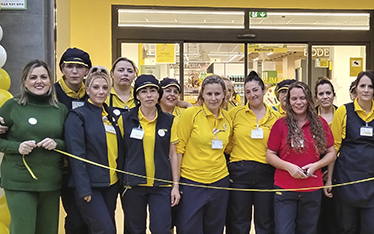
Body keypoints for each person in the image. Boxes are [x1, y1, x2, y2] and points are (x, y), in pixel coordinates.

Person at [0, 48, 91, 234]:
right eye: (33, 77)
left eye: (43, 77)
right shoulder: (13, 105)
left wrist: (57, 143)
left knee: (48, 230)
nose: (39, 82)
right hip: (19, 181)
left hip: (51, 181)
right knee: (23, 230)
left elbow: (70, 142)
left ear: (50, 81)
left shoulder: (59, 109)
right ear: (25, 82)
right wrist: (16, 147)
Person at [266, 81, 336, 234]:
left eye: (303, 98)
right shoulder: (280, 125)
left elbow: (332, 153)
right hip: (285, 188)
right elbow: (270, 155)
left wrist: (316, 166)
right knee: (284, 231)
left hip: (312, 188)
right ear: (289, 101)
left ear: (309, 99)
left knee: (308, 230)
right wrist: (288, 167)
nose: (299, 102)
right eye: (294, 99)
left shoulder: (320, 123)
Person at [117, 74, 180, 234]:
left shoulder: (170, 121)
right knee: (134, 229)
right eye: (144, 91)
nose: (149, 95)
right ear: (137, 96)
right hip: (133, 186)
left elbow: (173, 155)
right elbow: (120, 152)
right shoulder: (124, 119)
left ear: (159, 94)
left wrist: (175, 186)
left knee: (161, 229)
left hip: (162, 186)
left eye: (153, 90)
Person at [327, 71, 374, 234]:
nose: (366, 90)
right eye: (362, 86)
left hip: (373, 181)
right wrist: (328, 180)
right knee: (347, 227)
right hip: (347, 179)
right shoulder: (343, 111)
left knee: (373, 227)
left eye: (370, 86)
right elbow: (333, 149)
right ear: (356, 88)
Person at [172, 75, 232, 234]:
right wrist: (176, 184)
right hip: (192, 182)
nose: (213, 98)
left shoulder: (228, 118)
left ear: (224, 95)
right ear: (202, 96)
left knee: (215, 228)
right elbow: (179, 150)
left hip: (219, 181)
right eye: (209, 94)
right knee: (188, 228)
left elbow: (229, 147)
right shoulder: (190, 115)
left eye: (217, 94)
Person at [64, 70, 120, 234]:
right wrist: (84, 189)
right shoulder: (78, 116)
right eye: (96, 87)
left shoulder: (110, 115)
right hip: (90, 186)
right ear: (87, 90)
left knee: (102, 228)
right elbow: (76, 156)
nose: (101, 91)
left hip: (111, 184)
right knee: (105, 230)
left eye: (105, 87)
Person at [225, 71, 281, 234]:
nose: (252, 95)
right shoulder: (234, 114)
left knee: (265, 220)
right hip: (239, 172)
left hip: (266, 172)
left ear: (264, 91)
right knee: (238, 220)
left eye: (255, 90)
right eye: (248, 91)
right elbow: (226, 142)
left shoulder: (276, 117)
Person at [314, 77, 338, 234]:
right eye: (321, 94)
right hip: (315, 169)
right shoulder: (311, 117)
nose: (325, 97)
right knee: (317, 216)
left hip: (339, 170)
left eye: (328, 93)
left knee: (336, 216)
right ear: (316, 97)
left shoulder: (342, 114)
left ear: (334, 95)